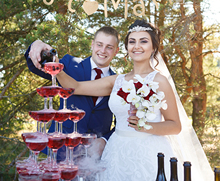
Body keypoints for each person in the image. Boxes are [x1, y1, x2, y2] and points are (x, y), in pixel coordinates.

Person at [55, 19, 214, 181]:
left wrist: (145, 126)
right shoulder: (115, 80)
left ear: (153, 47)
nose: (137, 46)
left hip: (149, 153)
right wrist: (56, 67)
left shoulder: (160, 81)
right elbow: (75, 86)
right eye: (132, 41)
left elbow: (175, 125)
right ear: (126, 47)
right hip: (116, 153)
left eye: (143, 41)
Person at [24, 26, 120, 161]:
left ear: (116, 51)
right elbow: (36, 66)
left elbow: (123, 122)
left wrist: (105, 140)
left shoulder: (119, 82)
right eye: (99, 44)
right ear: (92, 45)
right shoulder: (70, 64)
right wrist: (36, 44)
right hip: (61, 148)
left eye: (109, 47)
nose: (103, 50)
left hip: (96, 155)